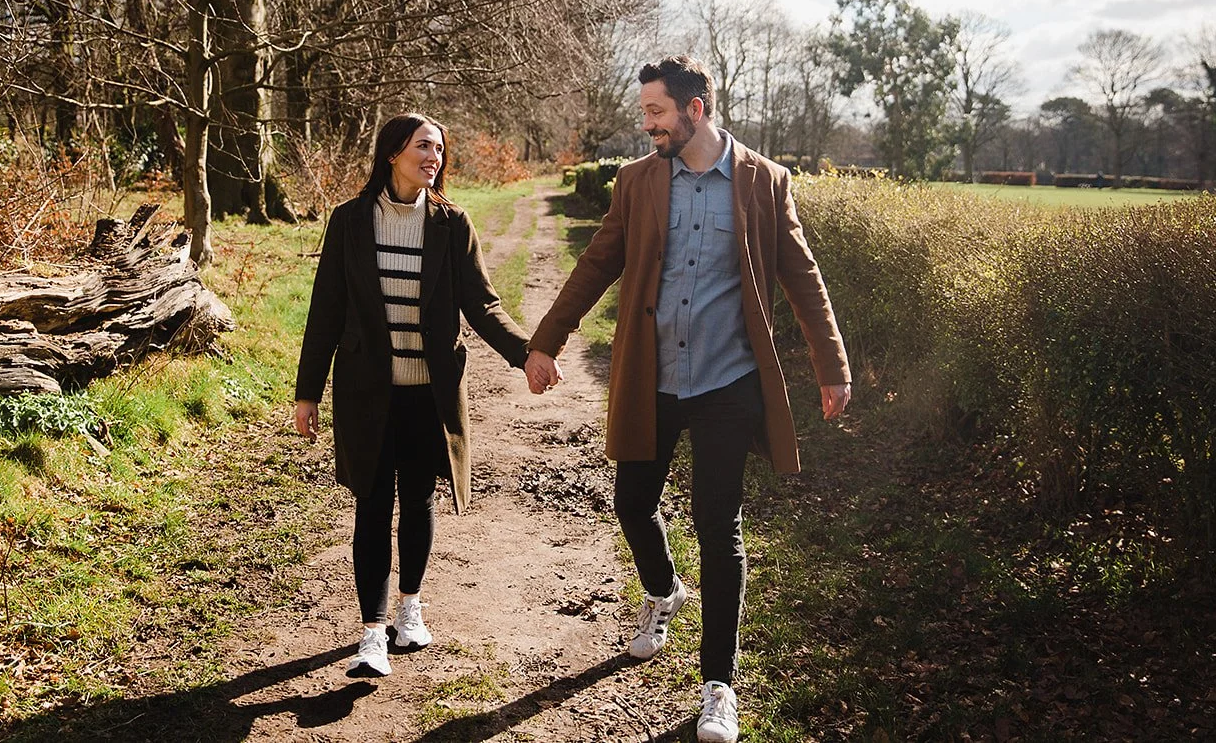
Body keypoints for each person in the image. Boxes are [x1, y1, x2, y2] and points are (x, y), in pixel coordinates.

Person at [523, 56, 851, 743]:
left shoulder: (764, 181)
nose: (646, 125)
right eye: (645, 113)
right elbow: (598, 262)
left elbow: (802, 275)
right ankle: (664, 590)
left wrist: (831, 364)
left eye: (655, 113)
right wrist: (547, 340)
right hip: (653, 375)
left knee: (717, 524)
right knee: (631, 502)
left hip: (728, 383)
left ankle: (718, 687)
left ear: (694, 110)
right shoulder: (639, 180)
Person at [295, 113, 531, 678]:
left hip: (429, 395)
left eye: (441, 149)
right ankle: (372, 633)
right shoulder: (350, 222)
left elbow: (483, 303)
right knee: (372, 505)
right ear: (393, 151)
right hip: (366, 393)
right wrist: (308, 393)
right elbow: (325, 310)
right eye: (425, 146)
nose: (436, 157)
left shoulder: (453, 225)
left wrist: (528, 353)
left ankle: (410, 607)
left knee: (419, 500)